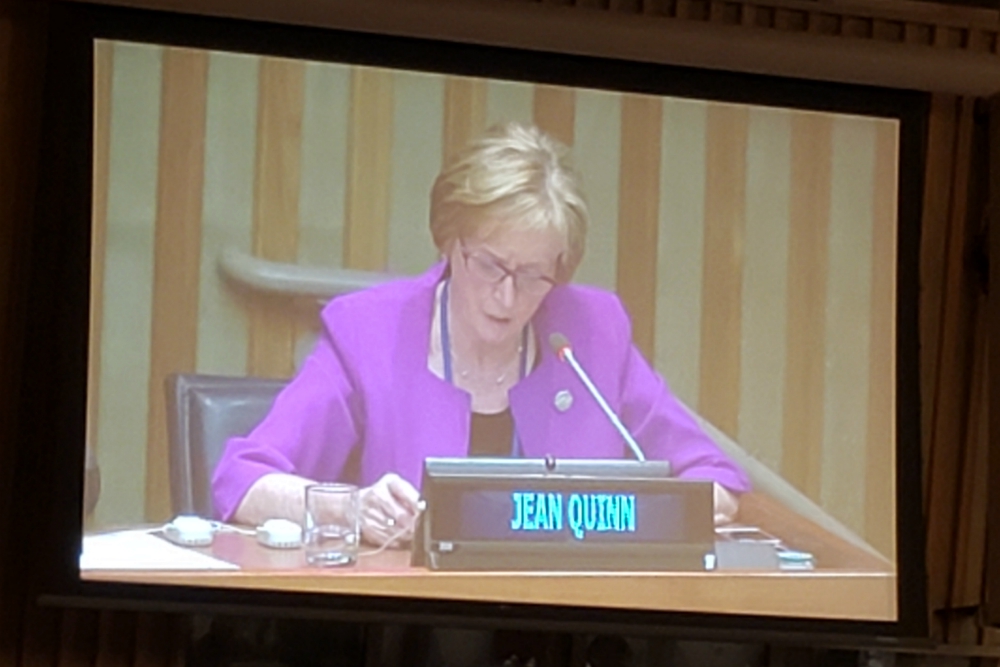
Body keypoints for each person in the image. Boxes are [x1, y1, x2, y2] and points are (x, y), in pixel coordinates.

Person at [212, 122, 750, 545]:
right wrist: (349, 509)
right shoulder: (368, 333)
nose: (508, 296)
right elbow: (242, 482)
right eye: (490, 265)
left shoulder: (591, 333)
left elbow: (714, 478)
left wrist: (652, 514)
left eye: (535, 274)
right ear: (451, 241)